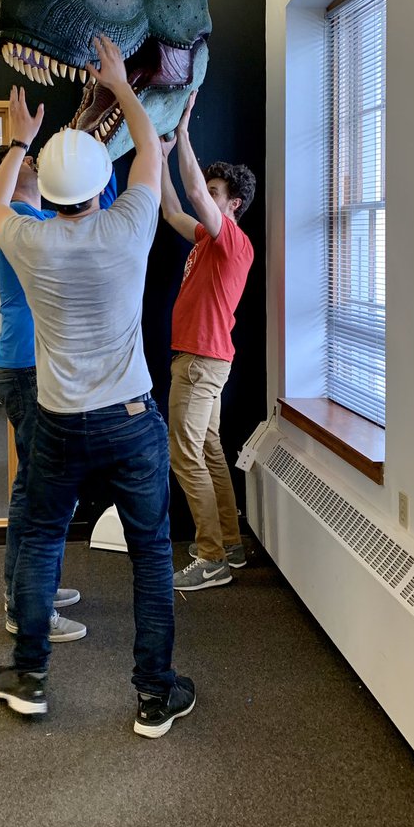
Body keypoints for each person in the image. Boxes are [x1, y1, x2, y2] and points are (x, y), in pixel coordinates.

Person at [0, 34, 194, 738]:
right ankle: (154, 695)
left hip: (59, 423)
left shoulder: (29, 241)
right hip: (131, 420)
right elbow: (150, 149)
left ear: (48, 189)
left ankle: (30, 675)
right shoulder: (130, 226)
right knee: (151, 556)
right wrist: (123, 86)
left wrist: (21, 139)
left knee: (43, 540)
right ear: (103, 181)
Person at [0, 145, 114, 643]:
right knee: (42, 493)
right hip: (29, 370)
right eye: (28, 161)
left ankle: (32, 591)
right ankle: (27, 610)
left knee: (36, 487)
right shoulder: (20, 219)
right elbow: (87, 225)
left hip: (27, 367)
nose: (35, 163)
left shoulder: (27, 219)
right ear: (11, 176)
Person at [159, 92, 256, 591]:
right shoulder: (205, 240)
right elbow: (173, 208)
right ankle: (231, 545)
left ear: (232, 204)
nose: (207, 196)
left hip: (200, 362)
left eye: (217, 193)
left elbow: (194, 192)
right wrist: (157, 157)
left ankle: (212, 556)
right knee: (209, 447)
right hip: (205, 360)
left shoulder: (233, 241)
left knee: (184, 454)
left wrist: (183, 134)